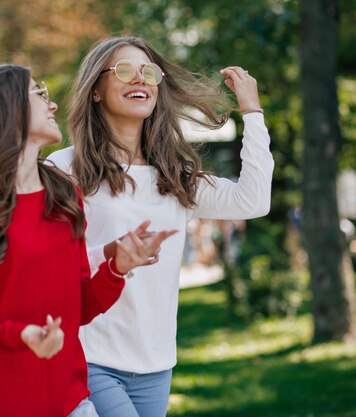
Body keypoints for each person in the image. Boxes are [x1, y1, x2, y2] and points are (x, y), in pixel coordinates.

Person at [0, 63, 175, 417]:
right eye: (39, 94)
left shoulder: (63, 196)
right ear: (4, 110)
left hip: (70, 404)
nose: (52, 104)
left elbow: (79, 308)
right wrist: (22, 337)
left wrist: (117, 269)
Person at [47, 37, 275, 417]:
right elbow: (47, 261)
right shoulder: (65, 167)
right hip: (91, 356)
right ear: (96, 91)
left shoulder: (174, 176)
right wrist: (112, 255)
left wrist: (252, 113)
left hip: (156, 365)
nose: (140, 79)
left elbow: (252, 201)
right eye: (124, 70)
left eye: (148, 72)